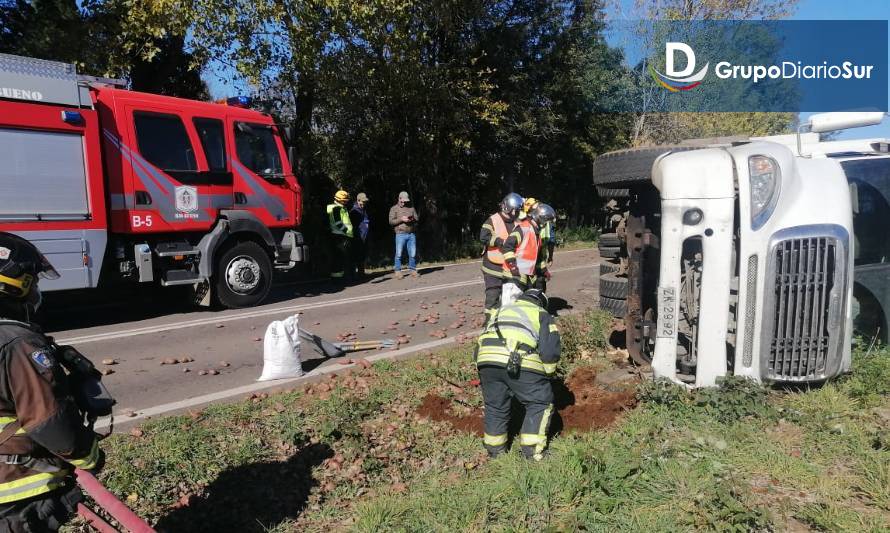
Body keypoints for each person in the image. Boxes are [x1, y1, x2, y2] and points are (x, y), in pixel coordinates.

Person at [0, 233, 105, 531]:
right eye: (34, 281)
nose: (36, 291)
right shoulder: (18, 344)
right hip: (15, 493)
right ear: (15, 284)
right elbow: (52, 425)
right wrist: (91, 457)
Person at [474, 288, 560, 461]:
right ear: (542, 302)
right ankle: (533, 452)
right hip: (518, 359)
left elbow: (480, 341)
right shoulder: (541, 314)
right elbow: (550, 351)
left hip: (486, 361)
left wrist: (481, 368)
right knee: (539, 402)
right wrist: (548, 375)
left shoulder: (501, 310)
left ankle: (495, 451)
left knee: (495, 406)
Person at [479, 193, 523, 325]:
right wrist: (498, 241)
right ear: (507, 207)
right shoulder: (493, 220)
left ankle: (507, 321)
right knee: (493, 293)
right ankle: (489, 322)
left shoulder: (517, 222)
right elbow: (483, 237)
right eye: (515, 210)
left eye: (518, 211)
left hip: (509, 265)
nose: (516, 213)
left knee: (510, 294)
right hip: (493, 266)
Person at [500, 202, 541, 306]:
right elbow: (507, 247)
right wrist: (513, 267)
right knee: (509, 309)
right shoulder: (523, 229)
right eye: (541, 220)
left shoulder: (536, 233)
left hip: (523, 277)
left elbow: (536, 256)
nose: (542, 223)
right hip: (513, 276)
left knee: (521, 309)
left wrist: (544, 270)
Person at [388, 191, 419, 279]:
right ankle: (398, 271)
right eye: (403, 200)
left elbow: (417, 218)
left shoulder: (411, 208)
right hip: (400, 234)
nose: (404, 202)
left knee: (412, 253)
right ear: (399, 198)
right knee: (398, 253)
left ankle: (413, 270)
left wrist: (411, 219)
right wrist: (401, 219)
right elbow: (391, 221)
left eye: (406, 201)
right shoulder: (394, 208)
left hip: (411, 234)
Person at [326, 190, 354, 280]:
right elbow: (338, 222)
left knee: (340, 258)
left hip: (340, 236)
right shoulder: (336, 209)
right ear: (340, 200)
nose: (346, 201)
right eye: (345, 200)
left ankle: (340, 277)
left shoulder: (340, 208)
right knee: (339, 258)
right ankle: (338, 279)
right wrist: (346, 231)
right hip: (340, 236)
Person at [532, 203, 557, 292]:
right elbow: (551, 240)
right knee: (539, 287)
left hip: (534, 261)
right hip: (536, 261)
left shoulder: (525, 223)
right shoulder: (530, 228)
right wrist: (550, 257)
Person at [349, 193, 370, 277]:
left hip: (364, 237)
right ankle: (353, 275)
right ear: (358, 201)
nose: (364, 203)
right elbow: (352, 226)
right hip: (357, 238)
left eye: (365, 202)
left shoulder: (363, 210)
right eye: (363, 201)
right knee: (356, 256)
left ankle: (362, 274)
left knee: (362, 256)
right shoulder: (354, 211)